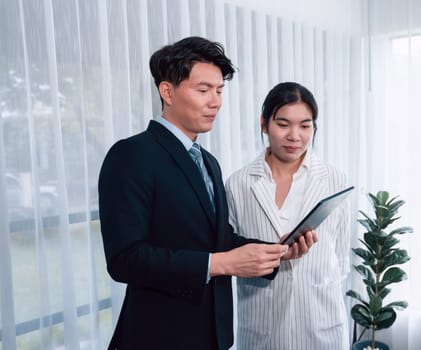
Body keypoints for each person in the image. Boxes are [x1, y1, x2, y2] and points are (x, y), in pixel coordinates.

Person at [98, 37, 316, 350]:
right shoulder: (132, 155)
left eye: (219, 90)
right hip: (158, 337)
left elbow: (218, 239)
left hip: (212, 336)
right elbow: (125, 259)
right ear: (167, 92)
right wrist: (221, 264)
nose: (215, 102)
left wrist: (277, 253)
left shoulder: (208, 162)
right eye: (203, 90)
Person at [225, 82, 351, 350]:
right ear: (264, 123)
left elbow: (340, 258)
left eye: (305, 126)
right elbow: (231, 253)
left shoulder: (334, 179)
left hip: (322, 327)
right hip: (262, 327)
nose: (295, 136)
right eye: (283, 124)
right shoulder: (238, 184)